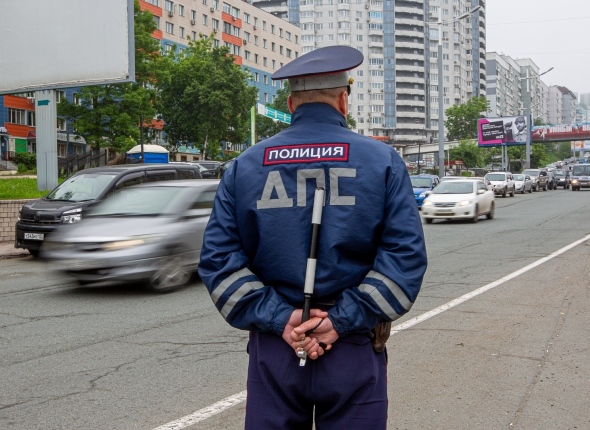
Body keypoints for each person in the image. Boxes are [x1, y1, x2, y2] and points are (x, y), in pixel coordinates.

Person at [198, 46, 427, 430]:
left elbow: (218, 261)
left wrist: (281, 319)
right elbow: (405, 259)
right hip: (352, 348)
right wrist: (340, 320)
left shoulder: (245, 166)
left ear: (291, 104)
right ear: (343, 101)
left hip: (276, 350)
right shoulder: (383, 161)